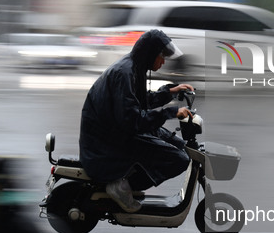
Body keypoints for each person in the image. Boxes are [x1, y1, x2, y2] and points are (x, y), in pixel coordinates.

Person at [79, 29, 194, 212]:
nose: (163, 61)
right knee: (178, 159)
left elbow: (137, 103)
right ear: (150, 54)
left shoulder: (134, 67)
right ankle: (122, 186)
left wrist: (170, 91)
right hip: (106, 145)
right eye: (161, 56)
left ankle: (129, 183)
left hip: (116, 132)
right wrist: (170, 112)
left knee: (179, 145)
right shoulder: (124, 73)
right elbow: (133, 120)